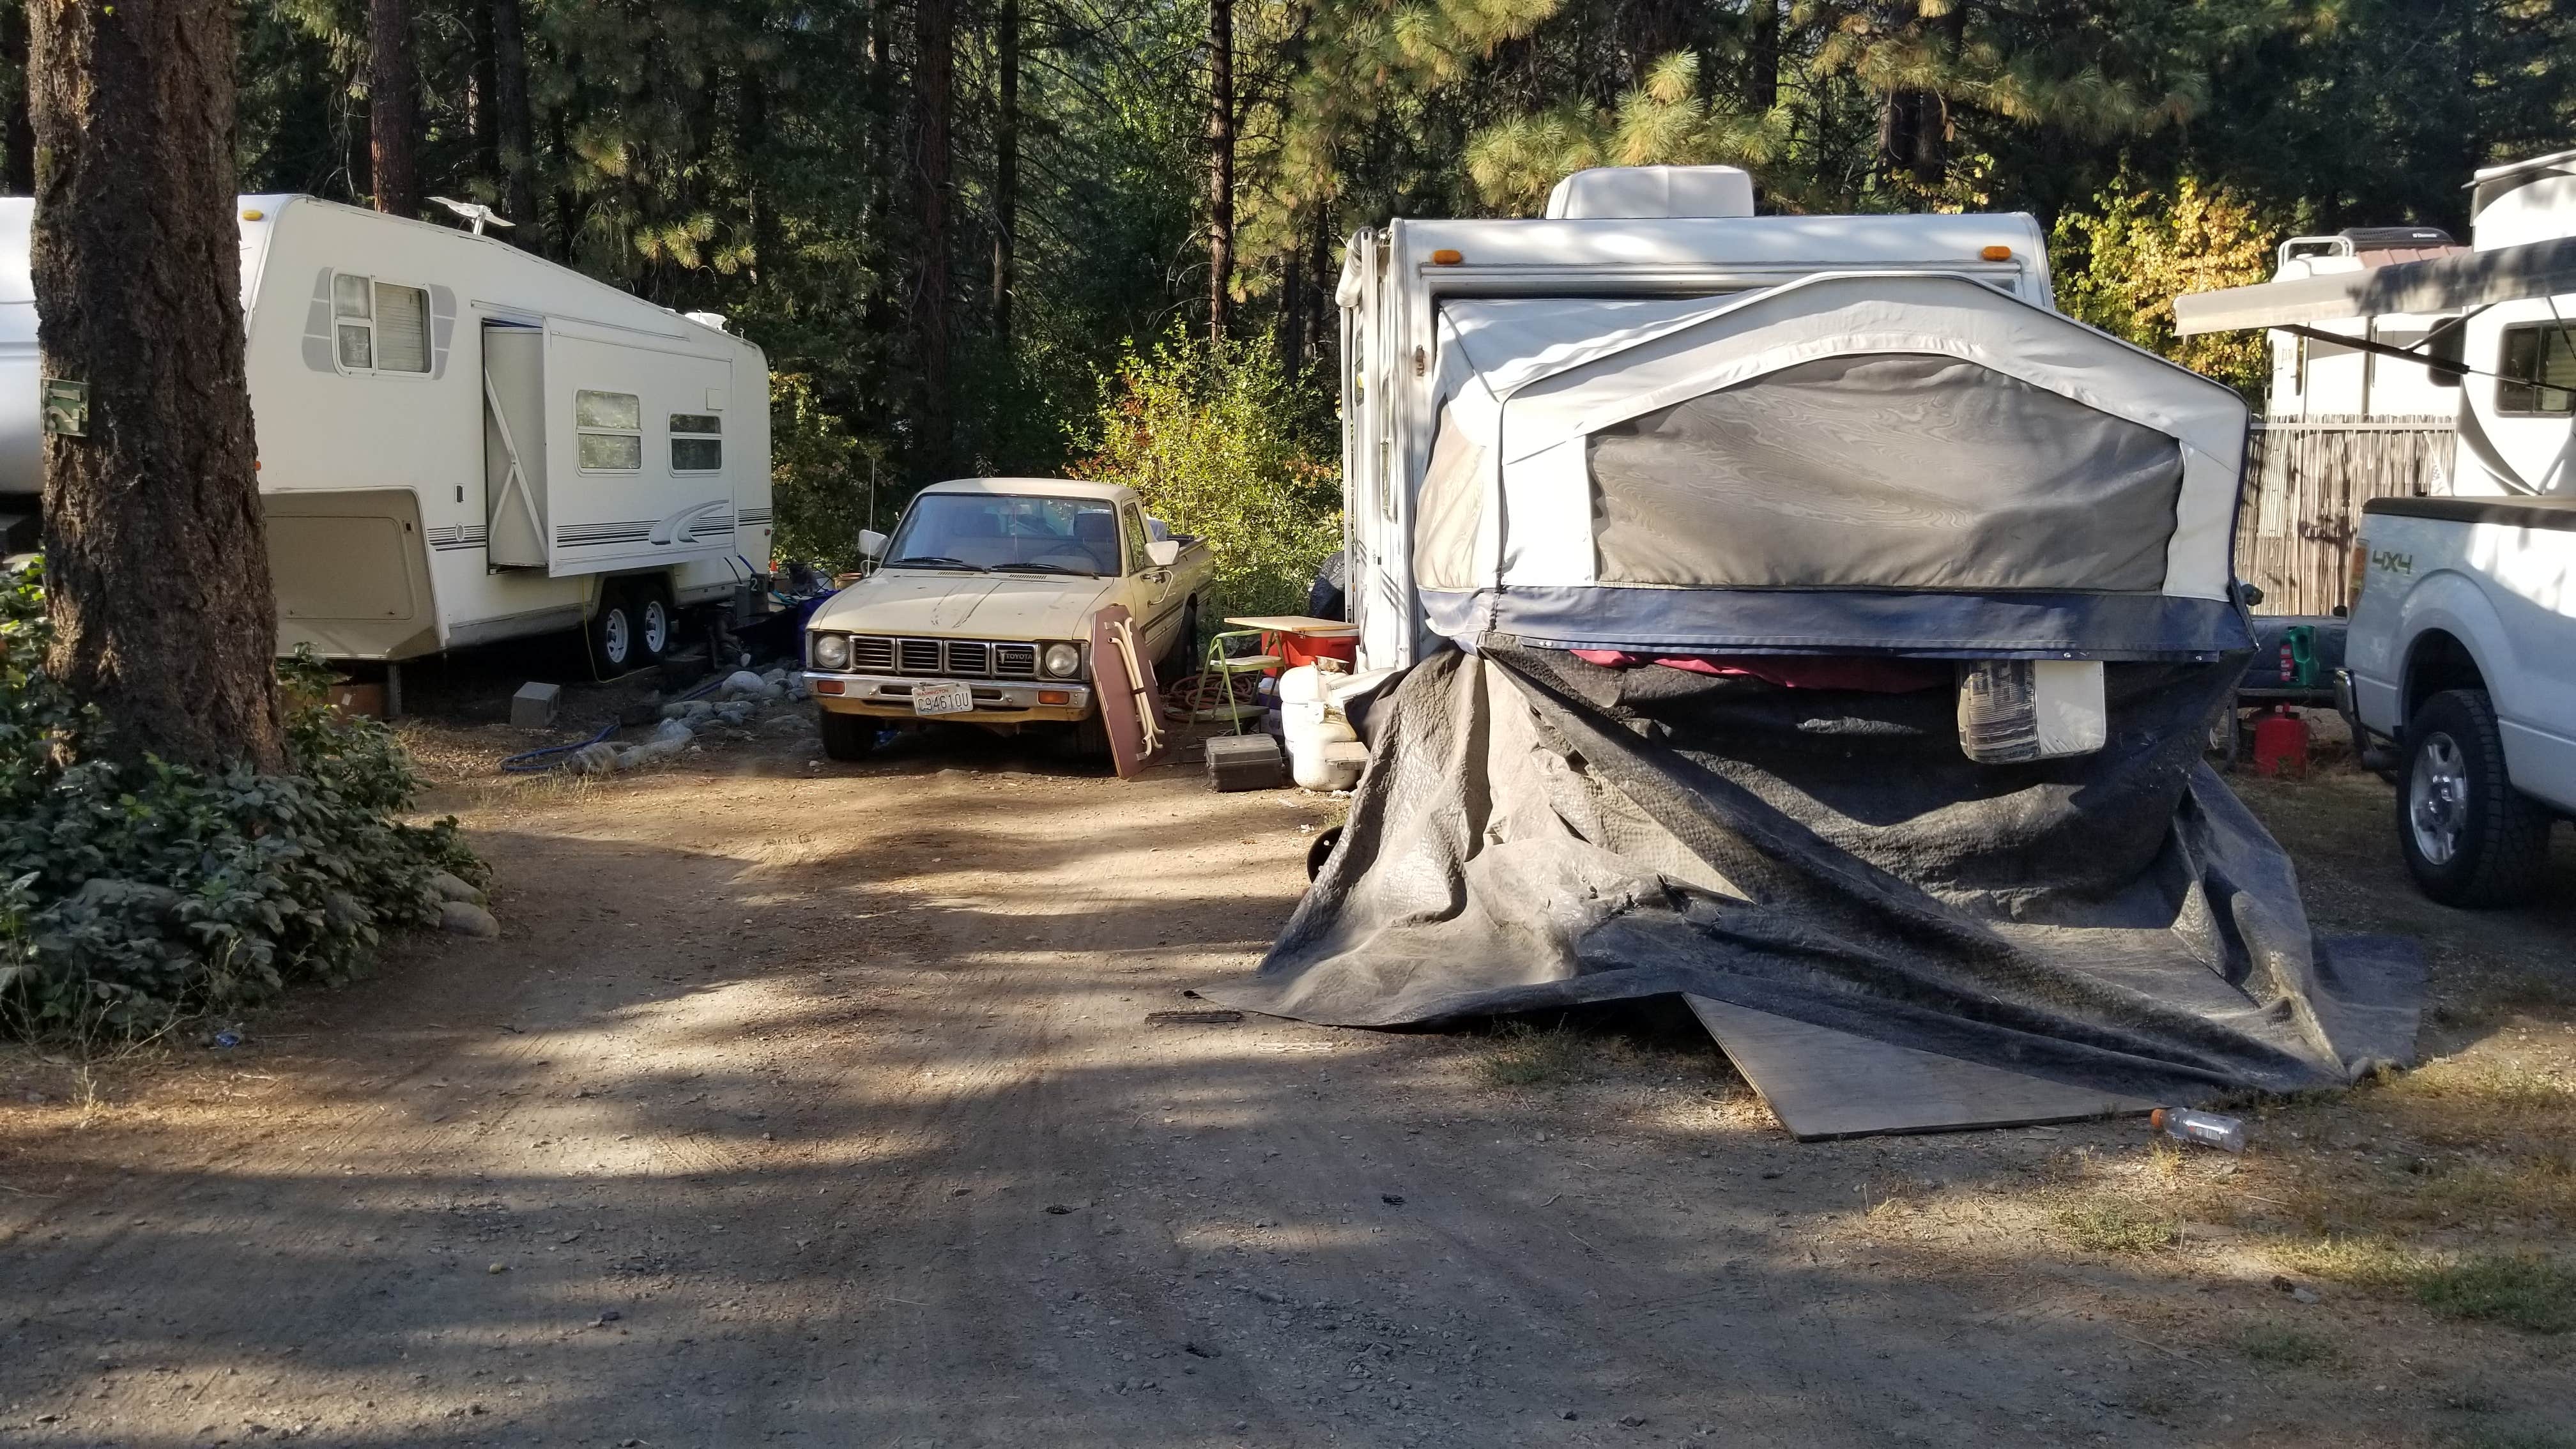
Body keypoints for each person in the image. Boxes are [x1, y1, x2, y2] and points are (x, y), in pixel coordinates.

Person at [1307, 548, 1348, 622]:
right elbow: (1326, 597)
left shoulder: (1344, 558)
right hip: (1335, 619)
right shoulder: (1346, 560)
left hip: (1332, 617)